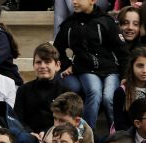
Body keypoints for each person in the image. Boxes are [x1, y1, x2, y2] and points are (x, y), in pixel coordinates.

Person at [54, 0, 128, 128]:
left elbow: (122, 52)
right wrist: (67, 65)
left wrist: (125, 75)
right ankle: (88, 133)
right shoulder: (69, 24)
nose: (74, 2)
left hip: (110, 70)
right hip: (86, 69)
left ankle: (117, 133)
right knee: (94, 92)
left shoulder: (106, 21)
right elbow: (57, 50)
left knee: (109, 97)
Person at [14, 43, 64, 134]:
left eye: (47, 62)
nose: (42, 66)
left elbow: (66, 122)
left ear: (57, 65)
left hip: (55, 138)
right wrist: (30, 133)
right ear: (33, 65)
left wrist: (48, 135)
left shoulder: (66, 93)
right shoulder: (23, 90)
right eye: (38, 62)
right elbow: (18, 119)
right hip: (28, 138)